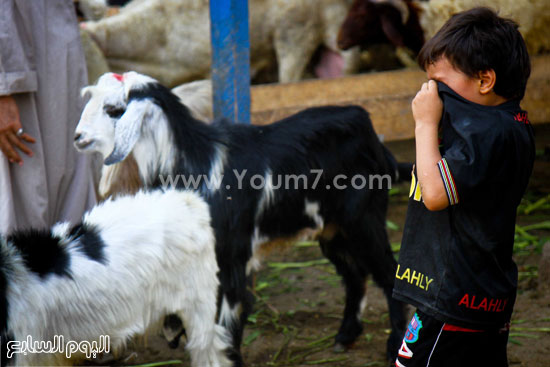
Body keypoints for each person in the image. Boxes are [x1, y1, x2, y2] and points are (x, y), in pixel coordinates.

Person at [392, 7, 534, 367]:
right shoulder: (505, 125)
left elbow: (436, 195)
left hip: (455, 298)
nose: (430, 95)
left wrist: (424, 125)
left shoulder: (488, 134)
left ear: (485, 80)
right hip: (476, 294)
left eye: (439, 85)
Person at [0, 0, 97, 233]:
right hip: (16, 58)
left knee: (69, 193)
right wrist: (3, 89)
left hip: (57, 44)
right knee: (21, 205)